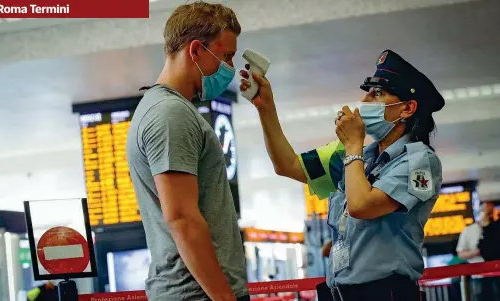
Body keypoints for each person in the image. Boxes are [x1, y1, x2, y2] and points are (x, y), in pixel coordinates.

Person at [240, 49, 445, 301]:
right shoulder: (362, 157)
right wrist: (266, 108)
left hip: (383, 294)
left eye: (377, 93)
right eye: (367, 91)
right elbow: (288, 165)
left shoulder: (419, 161)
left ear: (407, 108)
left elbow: (361, 206)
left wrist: (352, 146)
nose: (364, 100)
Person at [126, 2, 248, 301]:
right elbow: (181, 218)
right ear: (195, 50)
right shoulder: (170, 114)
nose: (229, 68)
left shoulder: (169, 109)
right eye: (226, 56)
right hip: (197, 295)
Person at [457, 200, 499, 301]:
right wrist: (476, 252)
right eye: (485, 211)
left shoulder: (497, 228)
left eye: (490, 211)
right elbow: (461, 253)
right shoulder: (469, 230)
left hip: (497, 274)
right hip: (478, 276)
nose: (487, 214)